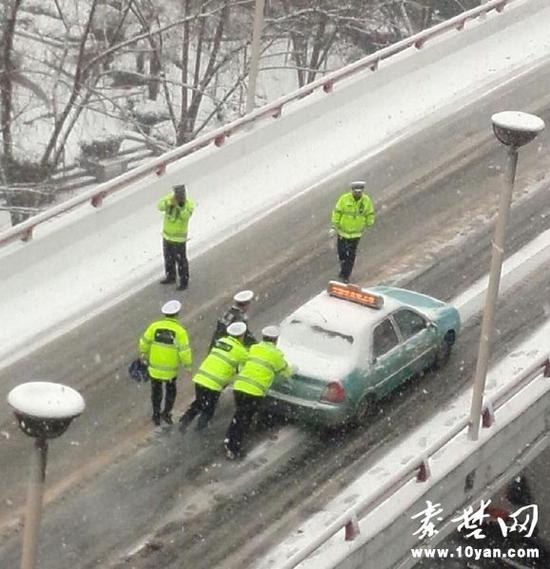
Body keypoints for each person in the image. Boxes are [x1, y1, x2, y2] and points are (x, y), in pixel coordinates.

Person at [224, 325, 291, 460]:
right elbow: (285, 372)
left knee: (239, 415)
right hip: (254, 391)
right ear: (275, 340)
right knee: (245, 419)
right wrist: (291, 370)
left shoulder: (254, 348)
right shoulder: (276, 355)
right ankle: (234, 448)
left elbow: (243, 364)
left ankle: (229, 438)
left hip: (240, 386)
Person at [179, 321, 249, 433]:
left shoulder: (221, 341)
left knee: (199, 402)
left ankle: (184, 422)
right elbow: (245, 366)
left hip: (201, 377)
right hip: (214, 383)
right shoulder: (241, 351)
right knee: (209, 409)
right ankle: (200, 430)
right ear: (242, 335)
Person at [139, 299, 193, 426]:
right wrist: (188, 365)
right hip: (170, 370)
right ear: (177, 314)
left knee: (156, 392)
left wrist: (143, 353)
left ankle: (156, 414)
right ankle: (167, 413)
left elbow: (144, 342)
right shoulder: (179, 331)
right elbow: (184, 351)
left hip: (155, 368)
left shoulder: (154, 327)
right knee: (171, 391)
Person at [330, 180, 375, 283]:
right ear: (352, 190)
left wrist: (369, 222)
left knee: (351, 255)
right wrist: (334, 226)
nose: (358, 193)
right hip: (343, 232)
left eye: (360, 192)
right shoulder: (344, 199)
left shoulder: (366, 201)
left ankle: (345, 275)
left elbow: (370, 213)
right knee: (342, 253)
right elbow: (337, 212)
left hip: (356, 233)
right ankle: (343, 268)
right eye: (356, 191)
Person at [158, 184, 195, 290]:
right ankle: (170, 276)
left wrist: (180, 205)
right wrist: (170, 202)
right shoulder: (169, 199)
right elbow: (159, 206)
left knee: (181, 260)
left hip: (179, 239)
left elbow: (185, 216)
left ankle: (184, 281)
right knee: (168, 258)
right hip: (167, 236)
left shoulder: (189, 205)